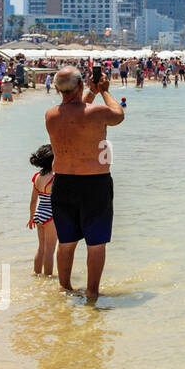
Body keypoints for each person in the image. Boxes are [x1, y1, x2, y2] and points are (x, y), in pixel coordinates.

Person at [45, 65, 124, 299]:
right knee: (96, 243)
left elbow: (77, 111)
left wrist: (90, 92)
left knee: (67, 241)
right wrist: (105, 91)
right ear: (80, 85)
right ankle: (92, 292)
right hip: (94, 183)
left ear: (58, 89)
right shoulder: (97, 112)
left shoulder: (51, 115)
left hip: (64, 183)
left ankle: (65, 288)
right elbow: (118, 115)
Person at [26, 144, 58, 277]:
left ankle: (36, 273)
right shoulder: (55, 178)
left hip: (39, 214)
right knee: (50, 250)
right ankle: (48, 277)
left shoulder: (37, 177)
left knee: (41, 248)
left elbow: (33, 200)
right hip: (50, 216)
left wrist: (31, 217)